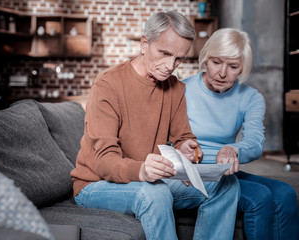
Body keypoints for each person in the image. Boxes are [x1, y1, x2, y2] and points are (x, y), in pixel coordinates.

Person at [70, 11, 240, 240]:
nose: (171, 65)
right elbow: (104, 162)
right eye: (164, 53)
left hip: (150, 179)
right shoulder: (108, 84)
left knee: (227, 184)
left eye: (178, 58)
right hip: (96, 185)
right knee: (156, 193)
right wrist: (141, 170)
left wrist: (189, 148)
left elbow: (184, 138)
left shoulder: (176, 88)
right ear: (144, 44)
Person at [182, 28, 299, 240]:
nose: (223, 73)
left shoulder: (251, 97)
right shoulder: (182, 90)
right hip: (194, 173)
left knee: (285, 193)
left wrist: (232, 149)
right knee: (260, 196)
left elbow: (255, 142)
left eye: (233, 66)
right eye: (216, 62)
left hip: (225, 172)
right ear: (206, 59)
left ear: (242, 68)